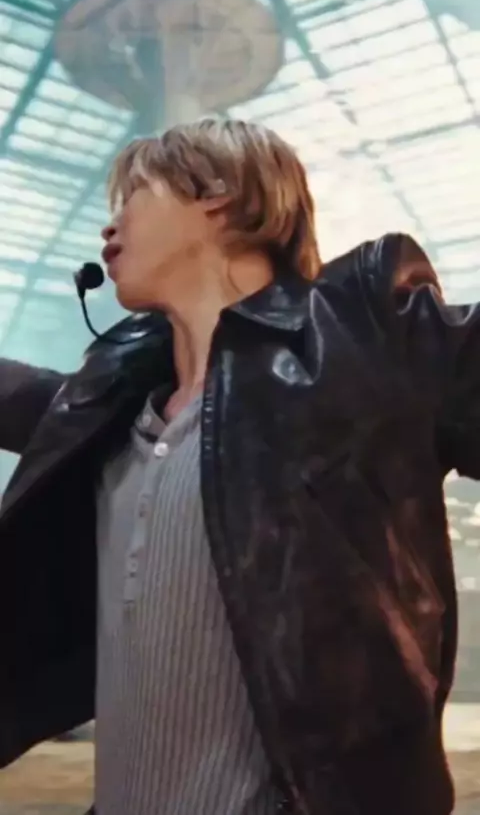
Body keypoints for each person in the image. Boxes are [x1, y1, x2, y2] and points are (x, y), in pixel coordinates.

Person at [0, 117, 476, 815]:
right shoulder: (111, 412)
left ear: (217, 195)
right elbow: (31, 399)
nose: (109, 225)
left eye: (134, 194)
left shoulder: (363, 340)